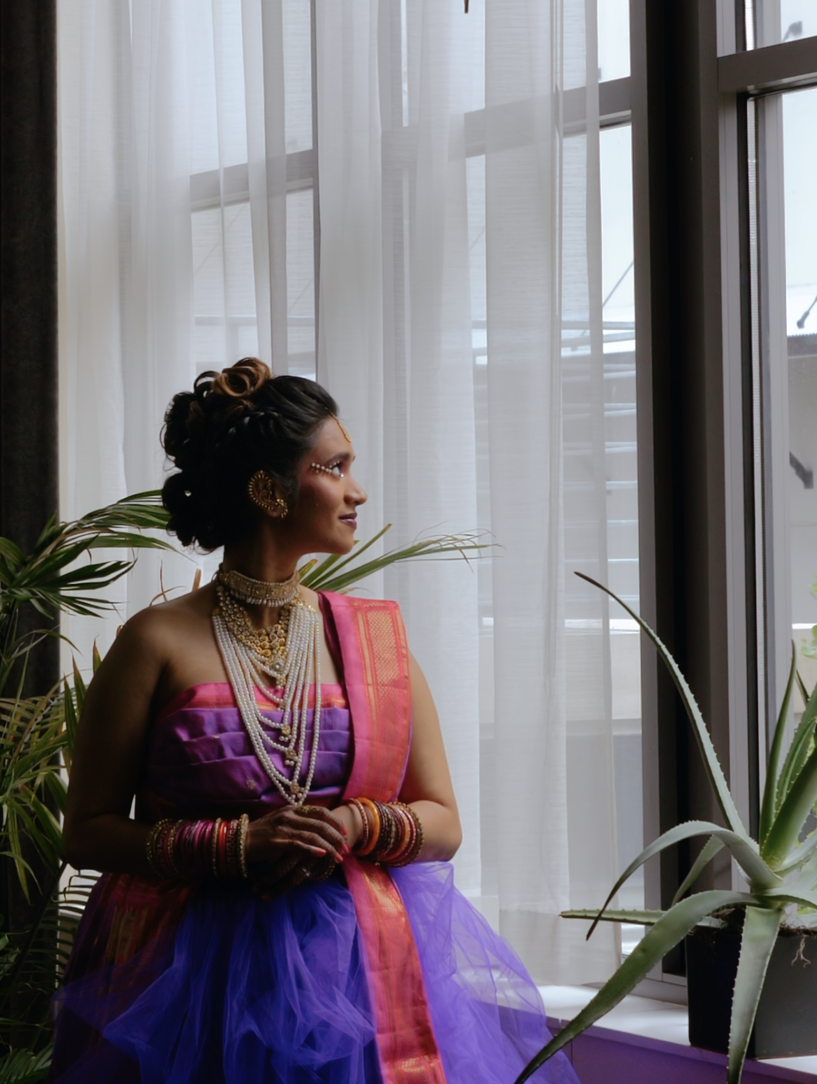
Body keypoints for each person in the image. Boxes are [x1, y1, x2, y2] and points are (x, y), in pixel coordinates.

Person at [56, 358, 580, 1084]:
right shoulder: (156, 642)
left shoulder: (376, 643)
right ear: (268, 489)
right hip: (191, 980)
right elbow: (86, 830)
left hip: (359, 976)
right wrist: (236, 845)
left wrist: (354, 825)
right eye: (334, 468)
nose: (356, 491)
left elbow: (443, 822)